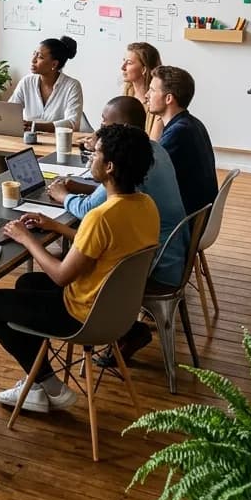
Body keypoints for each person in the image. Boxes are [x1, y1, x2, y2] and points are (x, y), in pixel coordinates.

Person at [0, 123, 159, 413]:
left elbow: (62, 274)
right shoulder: (145, 205)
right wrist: (55, 227)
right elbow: (102, 249)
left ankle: (47, 383)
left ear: (110, 167)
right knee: (27, 284)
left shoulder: (100, 217)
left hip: (83, 315)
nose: (91, 157)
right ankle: (37, 386)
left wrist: (27, 239)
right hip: (117, 310)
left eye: (97, 154)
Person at [43, 95, 188, 363]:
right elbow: (107, 198)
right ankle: (128, 330)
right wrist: (79, 191)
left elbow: (89, 212)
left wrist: (63, 196)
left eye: (104, 123)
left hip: (149, 273)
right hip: (167, 255)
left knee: (36, 288)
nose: (99, 128)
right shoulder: (150, 153)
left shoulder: (104, 215)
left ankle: (42, 382)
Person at [146, 66, 218, 215]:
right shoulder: (193, 123)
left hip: (184, 222)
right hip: (197, 214)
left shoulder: (179, 132)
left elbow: (148, 169)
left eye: (152, 90)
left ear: (169, 98)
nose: (147, 95)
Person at [6, 35, 83, 132]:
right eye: (34, 54)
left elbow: (73, 124)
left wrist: (34, 126)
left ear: (54, 64)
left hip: (57, 142)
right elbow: (9, 111)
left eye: (40, 57)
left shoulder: (72, 86)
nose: (33, 60)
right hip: (26, 139)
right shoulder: (27, 82)